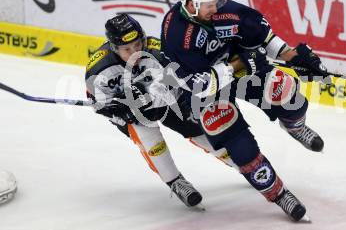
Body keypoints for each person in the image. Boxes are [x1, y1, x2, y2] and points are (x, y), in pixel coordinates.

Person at [160, 0, 329, 221]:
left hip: (238, 68)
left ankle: (294, 126)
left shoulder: (224, 10)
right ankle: (278, 193)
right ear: (190, 4)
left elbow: (263, 36)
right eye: (207, 3)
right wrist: (239, 64)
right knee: (237, 142)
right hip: (202, 91)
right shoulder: (177, 35)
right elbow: (202, 85)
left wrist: (294, 57)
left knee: (285, 91)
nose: (215, 6)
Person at [85, 13, 237, 208]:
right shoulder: (99, 69)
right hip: (134, 112)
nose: (135, 53)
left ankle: (241, 163)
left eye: (138, 45)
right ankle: (176, 181)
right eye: (127, 49)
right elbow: (98, 103)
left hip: (169, 101)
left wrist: (153, 96)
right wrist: (120, 112)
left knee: (201, 132)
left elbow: (179, 84)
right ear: (114, 48)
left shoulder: (159, 52)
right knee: (147, 133)